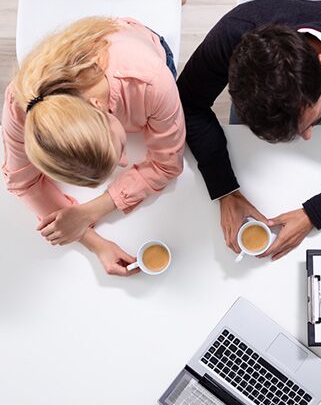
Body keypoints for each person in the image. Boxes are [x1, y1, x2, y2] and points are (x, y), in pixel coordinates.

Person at [177, 0, 321, 260]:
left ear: (320, 65)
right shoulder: (233, 34)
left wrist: (313, 214)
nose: (309, 137)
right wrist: (224, 189)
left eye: (309, 123)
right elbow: (187, 104)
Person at [2, 17, 185, 276]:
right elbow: (23, 182)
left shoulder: (152, 81)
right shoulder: (21, 105)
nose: (125, 162)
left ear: (101, 108)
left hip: (144, 49)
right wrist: (96, 244)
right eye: (123, 150)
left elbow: (167, 164)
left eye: (119, 149)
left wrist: (88, 212)